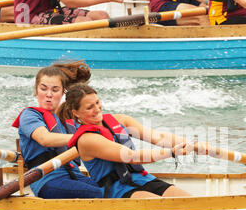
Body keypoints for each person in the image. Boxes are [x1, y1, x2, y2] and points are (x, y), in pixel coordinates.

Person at [58, 83, 196, 198]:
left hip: (142, 178)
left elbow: (158, 137)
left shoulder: (120, 120)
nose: (97, 109)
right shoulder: (87, 140)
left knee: (189, 202)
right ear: (76, 113)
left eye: (97, 102)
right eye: (89, 107)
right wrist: (170, 152)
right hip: (117, 190)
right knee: (162, 206)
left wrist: (190, 144)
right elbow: (131, 157)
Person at [12, 61, 105, 199]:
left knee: (117, 190)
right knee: (104, 195)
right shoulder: (30, 115)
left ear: (63, 93)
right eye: (43, 89)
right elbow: (45, 139)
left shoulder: (69, 121)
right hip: (48, 181)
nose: (49, 94)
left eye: (55, 90)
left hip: (75, 177)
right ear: (36, 90)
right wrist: (83, 138)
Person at [14, 0, 124, 25]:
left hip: (50, 10)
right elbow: (70, 1)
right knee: (84, 21)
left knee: (101, 15)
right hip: (26, 18)